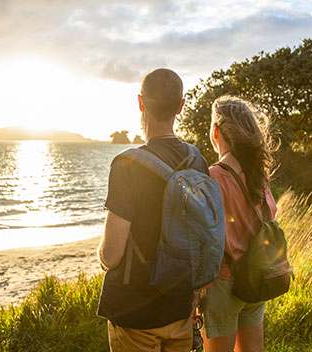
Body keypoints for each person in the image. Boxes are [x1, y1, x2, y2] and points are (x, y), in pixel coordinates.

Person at [97, 68, 209, 351]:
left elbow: (111, 256)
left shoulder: (126, 165)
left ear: (140, 102)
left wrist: (100, 254)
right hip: (180, 307)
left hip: (135, 312)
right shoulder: (197, 161)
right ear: (181, 106)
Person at [203, 96, 277, 352]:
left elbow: (206, 240)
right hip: (256, 277)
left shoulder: (212, 177)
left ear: (216, 132)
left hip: (223, 283)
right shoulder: (260, 175)